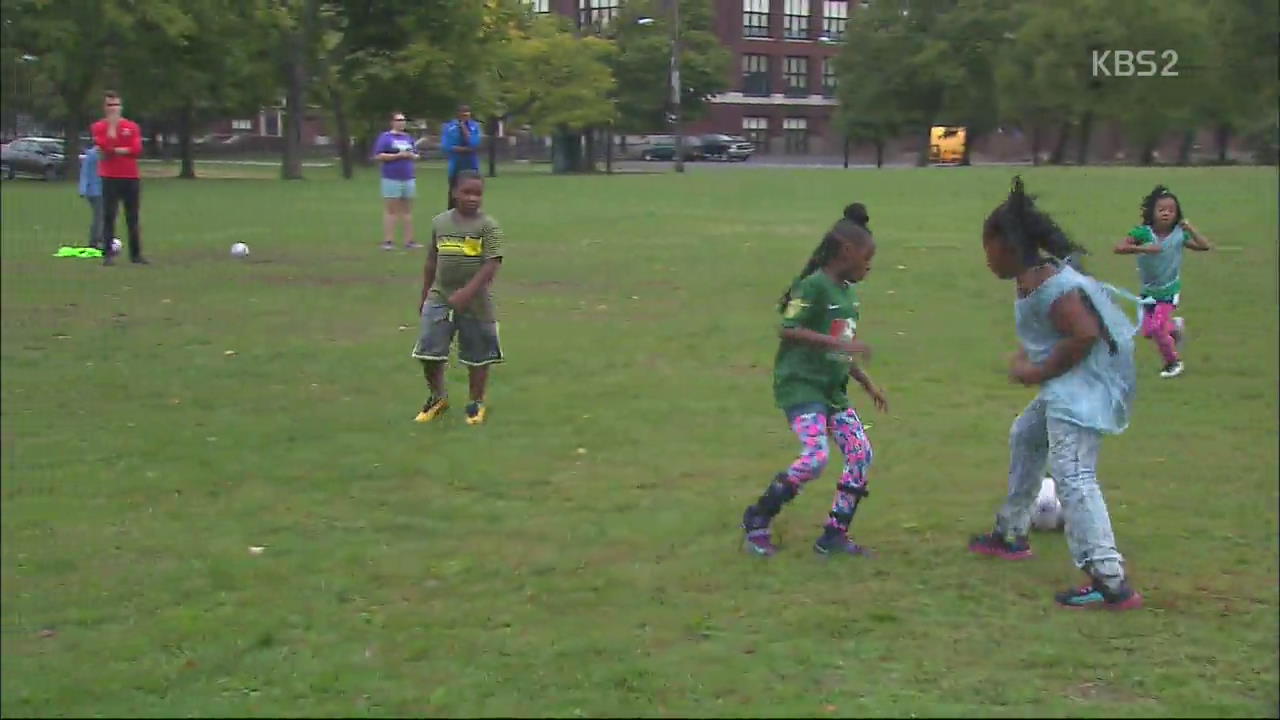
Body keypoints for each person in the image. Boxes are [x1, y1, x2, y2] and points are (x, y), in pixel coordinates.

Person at [968, 176, 1143, 611]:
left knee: (1075, 477)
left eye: (987, 246)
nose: (985, 257)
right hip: (1068, 387)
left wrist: (1036, 370)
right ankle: (1011, 533)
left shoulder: (1051, 286)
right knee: (1026, 436)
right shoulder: (1031, 277)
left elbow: (1083, 335)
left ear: (1006, 246)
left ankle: (1110, 580)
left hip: (1080, 394)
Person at [740, 203, 889, 558]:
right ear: (848, 252)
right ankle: (758, 518)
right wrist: (839, 343)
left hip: (832, 391)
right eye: (867, 259)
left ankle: (834, 535)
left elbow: (841, 349)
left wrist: (866, 383)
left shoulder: (850, 297)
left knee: (860, 454)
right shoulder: (813, 286)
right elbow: (788, 329)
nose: (869, 267)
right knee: (816, 456)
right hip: (801, 386)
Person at [411, 170, 505, 425]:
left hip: (476, 301)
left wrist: (468, 292)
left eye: (478, 193)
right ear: (454, 193)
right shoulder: (440, 223)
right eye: (467, 192)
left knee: (478, 354)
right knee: (429, 350)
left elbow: (492, 263)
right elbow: (432, 260)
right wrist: (425, 294)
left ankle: (476, 401)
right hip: (440, 295)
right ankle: (437, 397)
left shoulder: (488, 226)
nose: (473, 198)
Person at [1113, 185, 1212, 379]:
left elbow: (1204, 246)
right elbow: (1118, 247)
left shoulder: (1179, 235)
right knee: (1149, 331)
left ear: (1177, 214)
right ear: (1152, 212)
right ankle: (1175, 327)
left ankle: (1173, 363)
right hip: (1149, 290)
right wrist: (1143, 249)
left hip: (1169, 289)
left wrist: (1190, 228)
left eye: (1171, 210)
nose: (1166, 213)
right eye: (1161, 210)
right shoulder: (1142, 233)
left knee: (1158, 328)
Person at [91, 90, 147, 266]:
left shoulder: (132, 127)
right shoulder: (99, 127)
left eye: (116, 105)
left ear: (121, 106)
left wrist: (116, 150)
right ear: (104, 108)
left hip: (130, 177)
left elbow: (136, 150)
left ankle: (136, 255)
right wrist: (113, 129)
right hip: (110, 177)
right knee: (109, 216)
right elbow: (105, 149)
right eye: (109, 105)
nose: (113, 109)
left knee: (133, 217)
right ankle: (108, 255)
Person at [372, 111, 422, 251]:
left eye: (403, 120)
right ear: (392, 122)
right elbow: (378, 156)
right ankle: (388, 241)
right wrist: (398, 156)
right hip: (391, 178)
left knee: (407, 211)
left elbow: (416, 154)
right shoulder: (385, 137)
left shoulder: (408, 137)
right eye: (398, 120)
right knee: (391, 210)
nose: (401, 122)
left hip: (408, 177)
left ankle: (409, 241)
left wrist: (412, 156)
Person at [440, 105, 482, 211]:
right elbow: (446, 146)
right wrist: (465, 149)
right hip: (456, 167)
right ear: (458, 114)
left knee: (472, 193)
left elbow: (474, 143)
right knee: (454, 194)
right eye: (463, 115)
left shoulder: (474, 126)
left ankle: (472, 217)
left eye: (467, 115)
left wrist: (464, 129)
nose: (465, 117)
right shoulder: (449, 127)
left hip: (471, 166)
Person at [77, 146, 103, 250]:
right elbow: (85, 173)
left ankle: (99, 239)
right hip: (95, 191)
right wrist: (82, 189)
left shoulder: (99, 154)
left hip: (100, 190)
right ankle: (95, 241)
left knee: (102, 216)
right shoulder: (92, 155)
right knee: (99, 217)